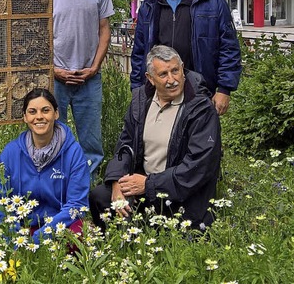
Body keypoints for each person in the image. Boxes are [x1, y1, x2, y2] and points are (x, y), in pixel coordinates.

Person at [89, 45, 221, 230]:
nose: (172, 80)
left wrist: (149, 185)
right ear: (150, 79)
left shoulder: (201, 109)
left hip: (181, 195)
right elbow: (125, 146)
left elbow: (198, 166)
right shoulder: (141, 101)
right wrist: (116, 180)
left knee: (176, 237)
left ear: (183, 68)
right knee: (100, 196)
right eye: (163, 74)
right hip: (144, 188)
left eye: (175, 71)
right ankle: (121, 247)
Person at [130, 0, 242, 115]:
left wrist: (225, 89)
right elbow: (139, 52)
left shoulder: (211, 1)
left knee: (200, 141)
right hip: (160, 92)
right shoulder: (150, 5)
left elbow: (229, 47)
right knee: (162, 141)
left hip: (200, 91)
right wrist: (137, 90)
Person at [53, 0, 114, 175]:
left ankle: (89, 187)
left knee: (91, 142)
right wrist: (52, 69)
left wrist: (95, 67)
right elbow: (35, 35)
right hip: (55, 76)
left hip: (89, 77)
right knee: (52, 136)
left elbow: (104, 31)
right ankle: (56, 181)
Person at [0, 88, 89, 242]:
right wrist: (15, 235)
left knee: (78, 235)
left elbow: (77, 204)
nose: (39, 117)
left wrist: (43, 234)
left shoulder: (73, 152)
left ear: (56, 114)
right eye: (32, 112)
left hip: (60, 223)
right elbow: (0, 201)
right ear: (25, 117)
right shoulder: (10, 153)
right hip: (22, 224)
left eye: (46, 111)